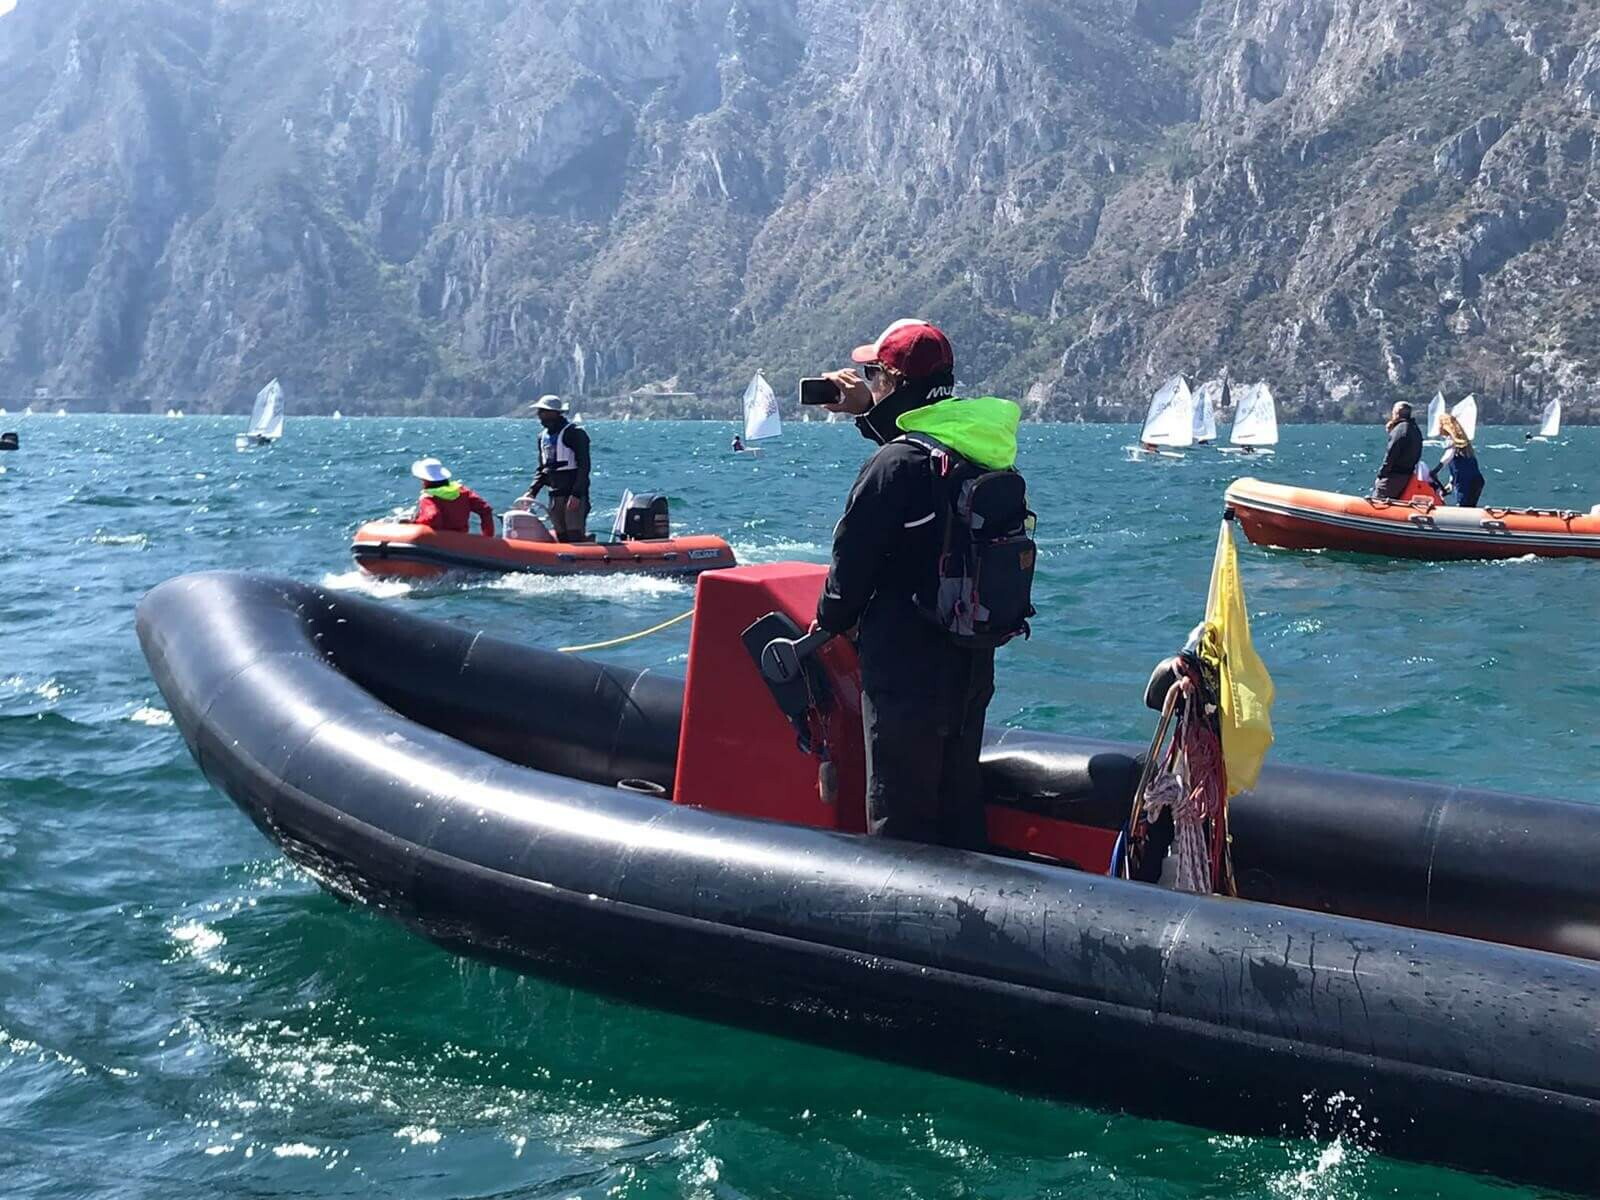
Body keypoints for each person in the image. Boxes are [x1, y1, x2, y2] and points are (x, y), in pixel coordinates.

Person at [815, 319, 1020, 850]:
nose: (869, 382)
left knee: (900, 821)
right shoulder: (982, 449)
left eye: (874, 375)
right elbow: (922, 453)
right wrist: (867, 410)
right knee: (957, 803)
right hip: (970, 658)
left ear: (892, 381)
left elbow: (848, 573)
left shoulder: (894, 466)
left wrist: (827, 623)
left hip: (906, 671)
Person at [523, 395, 591, 542]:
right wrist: (532, 492)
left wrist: (576, 494)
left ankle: (586, 548)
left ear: (555, 413)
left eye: (543, 412)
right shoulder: (542, 437)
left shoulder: (575, 433)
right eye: (540, 412)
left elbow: (584, 466)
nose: (540, 415)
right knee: (561, 533)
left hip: (573, 493)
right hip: (555, 494)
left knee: (574, 533)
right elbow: (543, 469)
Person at [409, 458, 495, 535]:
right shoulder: (463, 491)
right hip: (462, 538)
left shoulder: (429, 498)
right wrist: (487, 536)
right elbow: (486, 509)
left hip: (438, 541)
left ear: (426, 481)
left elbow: (433, 516)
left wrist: (414, 522)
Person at [1431, 412, 1486, 507]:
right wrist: (1450, 484)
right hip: (1476, 481)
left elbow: (1449, 455)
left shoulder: (1452, 442)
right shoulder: (1464, 445)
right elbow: (1456, 467)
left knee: (1463, 506)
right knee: (1469, 506)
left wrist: (1436, 470)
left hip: (1466, 483)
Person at [1373, 401, 1423, 499]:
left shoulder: (1400, 430)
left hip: (1394, 476)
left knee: (1378, 500)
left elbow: (1391, 454)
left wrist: (1381, 475)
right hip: (1408, 475)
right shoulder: (1415, 429)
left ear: (1396, 413)